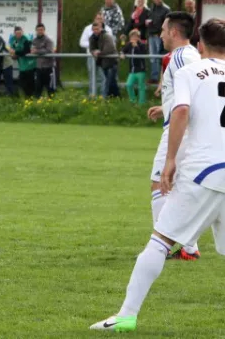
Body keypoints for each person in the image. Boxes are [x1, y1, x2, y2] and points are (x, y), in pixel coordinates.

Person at [90, 17, 225, 332]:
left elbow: (182, 111)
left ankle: (125, 316)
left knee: (160, 241)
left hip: (203, 171)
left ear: (200, 44)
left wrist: (170, 160)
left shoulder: (190, 70)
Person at [146, 11, 202, 260]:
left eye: (163, 30)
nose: (160, 35)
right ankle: (189, 247)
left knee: (160, 184)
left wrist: (176, 114)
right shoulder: (188, 55)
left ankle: (163, 246)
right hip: (186, 127)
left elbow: (195, 93)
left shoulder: (181, 57)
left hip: (181, 130)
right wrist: (165, 107)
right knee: (178, 188)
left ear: (174, 33)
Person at [89, 22, 120, 98]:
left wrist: (99, 53)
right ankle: (114, 97)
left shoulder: (107, 36)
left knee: (110, 82)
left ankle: (106, 98)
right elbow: (91, 49)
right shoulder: (92, 38)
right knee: (110, 82)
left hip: (111, 62)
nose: (95, 31)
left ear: (101, 28)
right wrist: (94, 52)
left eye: (97, 29)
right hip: (102, 63)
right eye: (94, 29)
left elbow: (110, 49)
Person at [121, 30, 147, 104]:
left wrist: (136, 47)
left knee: (141, 87)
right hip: (132, 70)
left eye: (135, 36)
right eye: (132, 36)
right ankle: (133, 101)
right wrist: (122, 53)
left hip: (140, 70)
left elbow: (143, 55)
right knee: (129, 85)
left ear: (138, 38)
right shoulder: (129, 45)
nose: (134, 38)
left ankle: (142, 103)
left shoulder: (142, 45)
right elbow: (123, 50)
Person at [10, 26, 36, 97]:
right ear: (14, 33)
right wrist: (13, 53)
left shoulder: (25, 39)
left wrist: (15, 52)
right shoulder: (14, 40)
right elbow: (13, 49)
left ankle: (31, 98)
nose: (18, 35)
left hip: (30, 64)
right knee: (22, 83)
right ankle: (26, 98)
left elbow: (26, 51)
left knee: (29, 83)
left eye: (20, 33)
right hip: (22, 65)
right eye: (17, 33)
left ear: (22, 32)